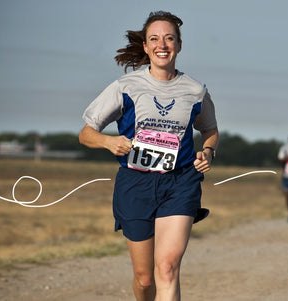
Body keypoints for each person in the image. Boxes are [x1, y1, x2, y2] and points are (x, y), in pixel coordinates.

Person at [78, 11, 218, 301]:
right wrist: (108, 142)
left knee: (166, 268)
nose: (162, 44)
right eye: (154, 39)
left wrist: (208, 151)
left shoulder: (195, 91)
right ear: (145, 46)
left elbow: (210, 130)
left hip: (180, 183)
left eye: (169, 38)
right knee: (144, 280)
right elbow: (86, 133)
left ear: (179, 45)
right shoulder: (125, 87)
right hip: (135, 184)